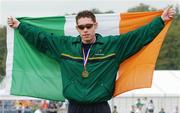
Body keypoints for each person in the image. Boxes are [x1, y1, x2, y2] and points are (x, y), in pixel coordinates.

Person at [8, 8, 174, 113]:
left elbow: (138, 37)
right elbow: (41, 38)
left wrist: (161, 21)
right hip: (74, 107)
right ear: (77, 28)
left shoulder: (112, 45)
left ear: (95, 25)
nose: (85, 30)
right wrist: (20, 26)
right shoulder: (65, 46)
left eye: (89, 26)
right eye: (81, 27)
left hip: (100, 106)